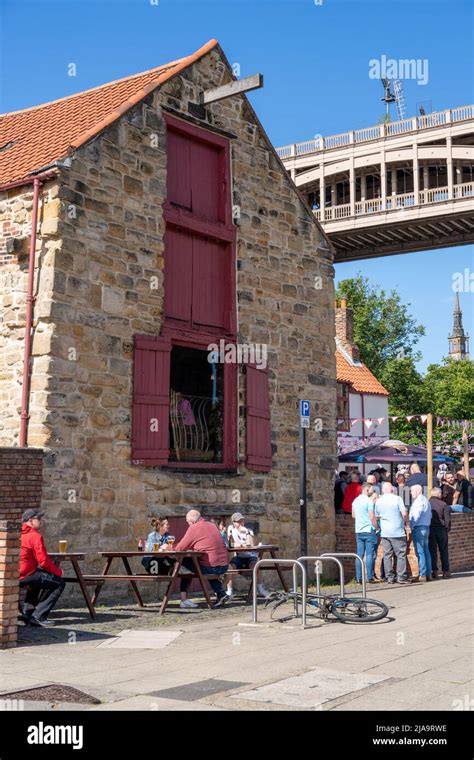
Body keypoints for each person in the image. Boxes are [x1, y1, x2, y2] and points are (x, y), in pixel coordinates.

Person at [161, 509, 229, 608]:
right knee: (201, 563)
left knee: (182, 561)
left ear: (192, 521)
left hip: (211, 567)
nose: (188, 525)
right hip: (224, 566)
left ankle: (180, 596)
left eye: (188, 523)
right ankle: (221, 593)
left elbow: (180, 548)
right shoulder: (212, 525)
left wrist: (167, 547)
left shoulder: (194, 528)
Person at [19, 509, 65, 627]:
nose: (41, 521)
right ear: (30, 521)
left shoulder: (18, 533)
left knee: (39, 578)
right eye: (39, 519)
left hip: (16, 575)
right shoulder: (34, 535)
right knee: (59, 583)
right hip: (26, 574)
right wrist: (58, 572)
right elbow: (43, 561)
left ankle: (27, 614)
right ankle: (39, 616)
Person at [225, 513, 270, 598]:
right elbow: (231, 545)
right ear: (234, 523)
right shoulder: (231, 530)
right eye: (238, 521)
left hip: (250, 556)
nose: (241, 523)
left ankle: (260, 589)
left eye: (242, 521)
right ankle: (229, 591)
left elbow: (252, 544)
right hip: (239, 557)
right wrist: (241, 545)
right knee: (229, 568)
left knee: (257, 566)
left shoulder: (248, 530)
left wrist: (247, 533)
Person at [374, 483, 411, 584]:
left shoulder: (379, 501)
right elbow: (404, 513)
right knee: (401, 555)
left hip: (385, 531)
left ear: (383, 490)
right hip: (397, 531)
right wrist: (407, 523)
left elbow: (377, 516)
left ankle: (389, 577)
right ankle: (401, 577)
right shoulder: (397, 499)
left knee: (387, 555)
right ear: (392, 490)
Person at [351, 484, 380, 584]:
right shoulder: (368, 501)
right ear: (366, 490)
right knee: (369, 554)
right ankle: (370, 576)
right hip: (368, 529)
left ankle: (359, 577)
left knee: (359, 554)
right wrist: (377, 527)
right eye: (371, 490)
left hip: (358, 530)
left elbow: (353, 515)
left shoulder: (355, 501)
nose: (372, 492)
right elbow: (372, 517)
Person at [409, 484, 432, 582]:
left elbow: (416, 516)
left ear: (417, 491)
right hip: (426, 526)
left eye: (411, 491)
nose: (410, 493)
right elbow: (430, 514)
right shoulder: (426, 500)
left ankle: (422, 574)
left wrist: (411, 525)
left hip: (419, 527)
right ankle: (428, 573)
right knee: (426, 550)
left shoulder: (418, 501)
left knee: (420, 552)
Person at [428, 487, 451, 579]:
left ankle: (435, 571)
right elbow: (447, 520)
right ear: (438, 494)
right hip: (441, 529)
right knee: (444, 551)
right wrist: (447, 529)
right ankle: (446, 571)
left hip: (430, 529)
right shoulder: (443, 504)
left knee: (432, 551)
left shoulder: (427, 503)